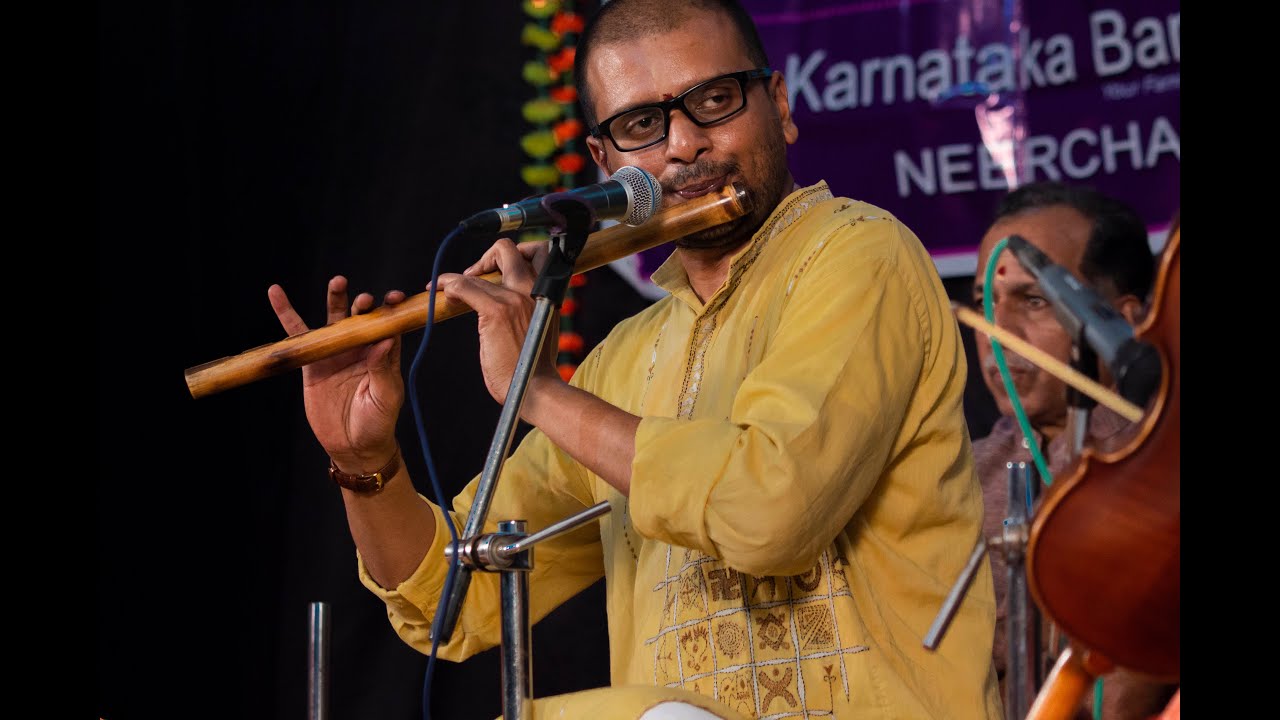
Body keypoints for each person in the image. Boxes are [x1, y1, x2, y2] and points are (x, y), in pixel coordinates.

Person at [269, 1, 1001, 717]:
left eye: (714, 100)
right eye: (642, 125)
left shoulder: (860, 255)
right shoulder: (628, 358)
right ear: (605, 161)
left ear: (778, 103)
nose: (683, 146)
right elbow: (452, 603)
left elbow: (770, 511)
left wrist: (539, 392)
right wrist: (366, 465)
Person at [969, 181, 1177, 719]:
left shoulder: (1161, 471)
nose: (997, 330)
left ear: (1123, 321)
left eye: (1034, 300)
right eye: (983, 303)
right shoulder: (955, 478)